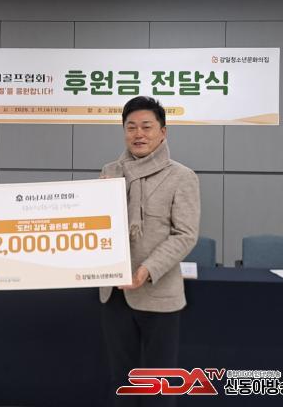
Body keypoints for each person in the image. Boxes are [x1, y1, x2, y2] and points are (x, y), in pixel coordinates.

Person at [100, 96, 200, 407]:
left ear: (162, 132)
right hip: (114, 294)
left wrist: (146, 270)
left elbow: (185, 235)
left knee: (158, 383)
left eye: (146, 126)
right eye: (131, 127)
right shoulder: (109, 172)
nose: (138, 134)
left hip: (158, 293)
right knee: (122, 381)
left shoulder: (181, 176)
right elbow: (96, 225)